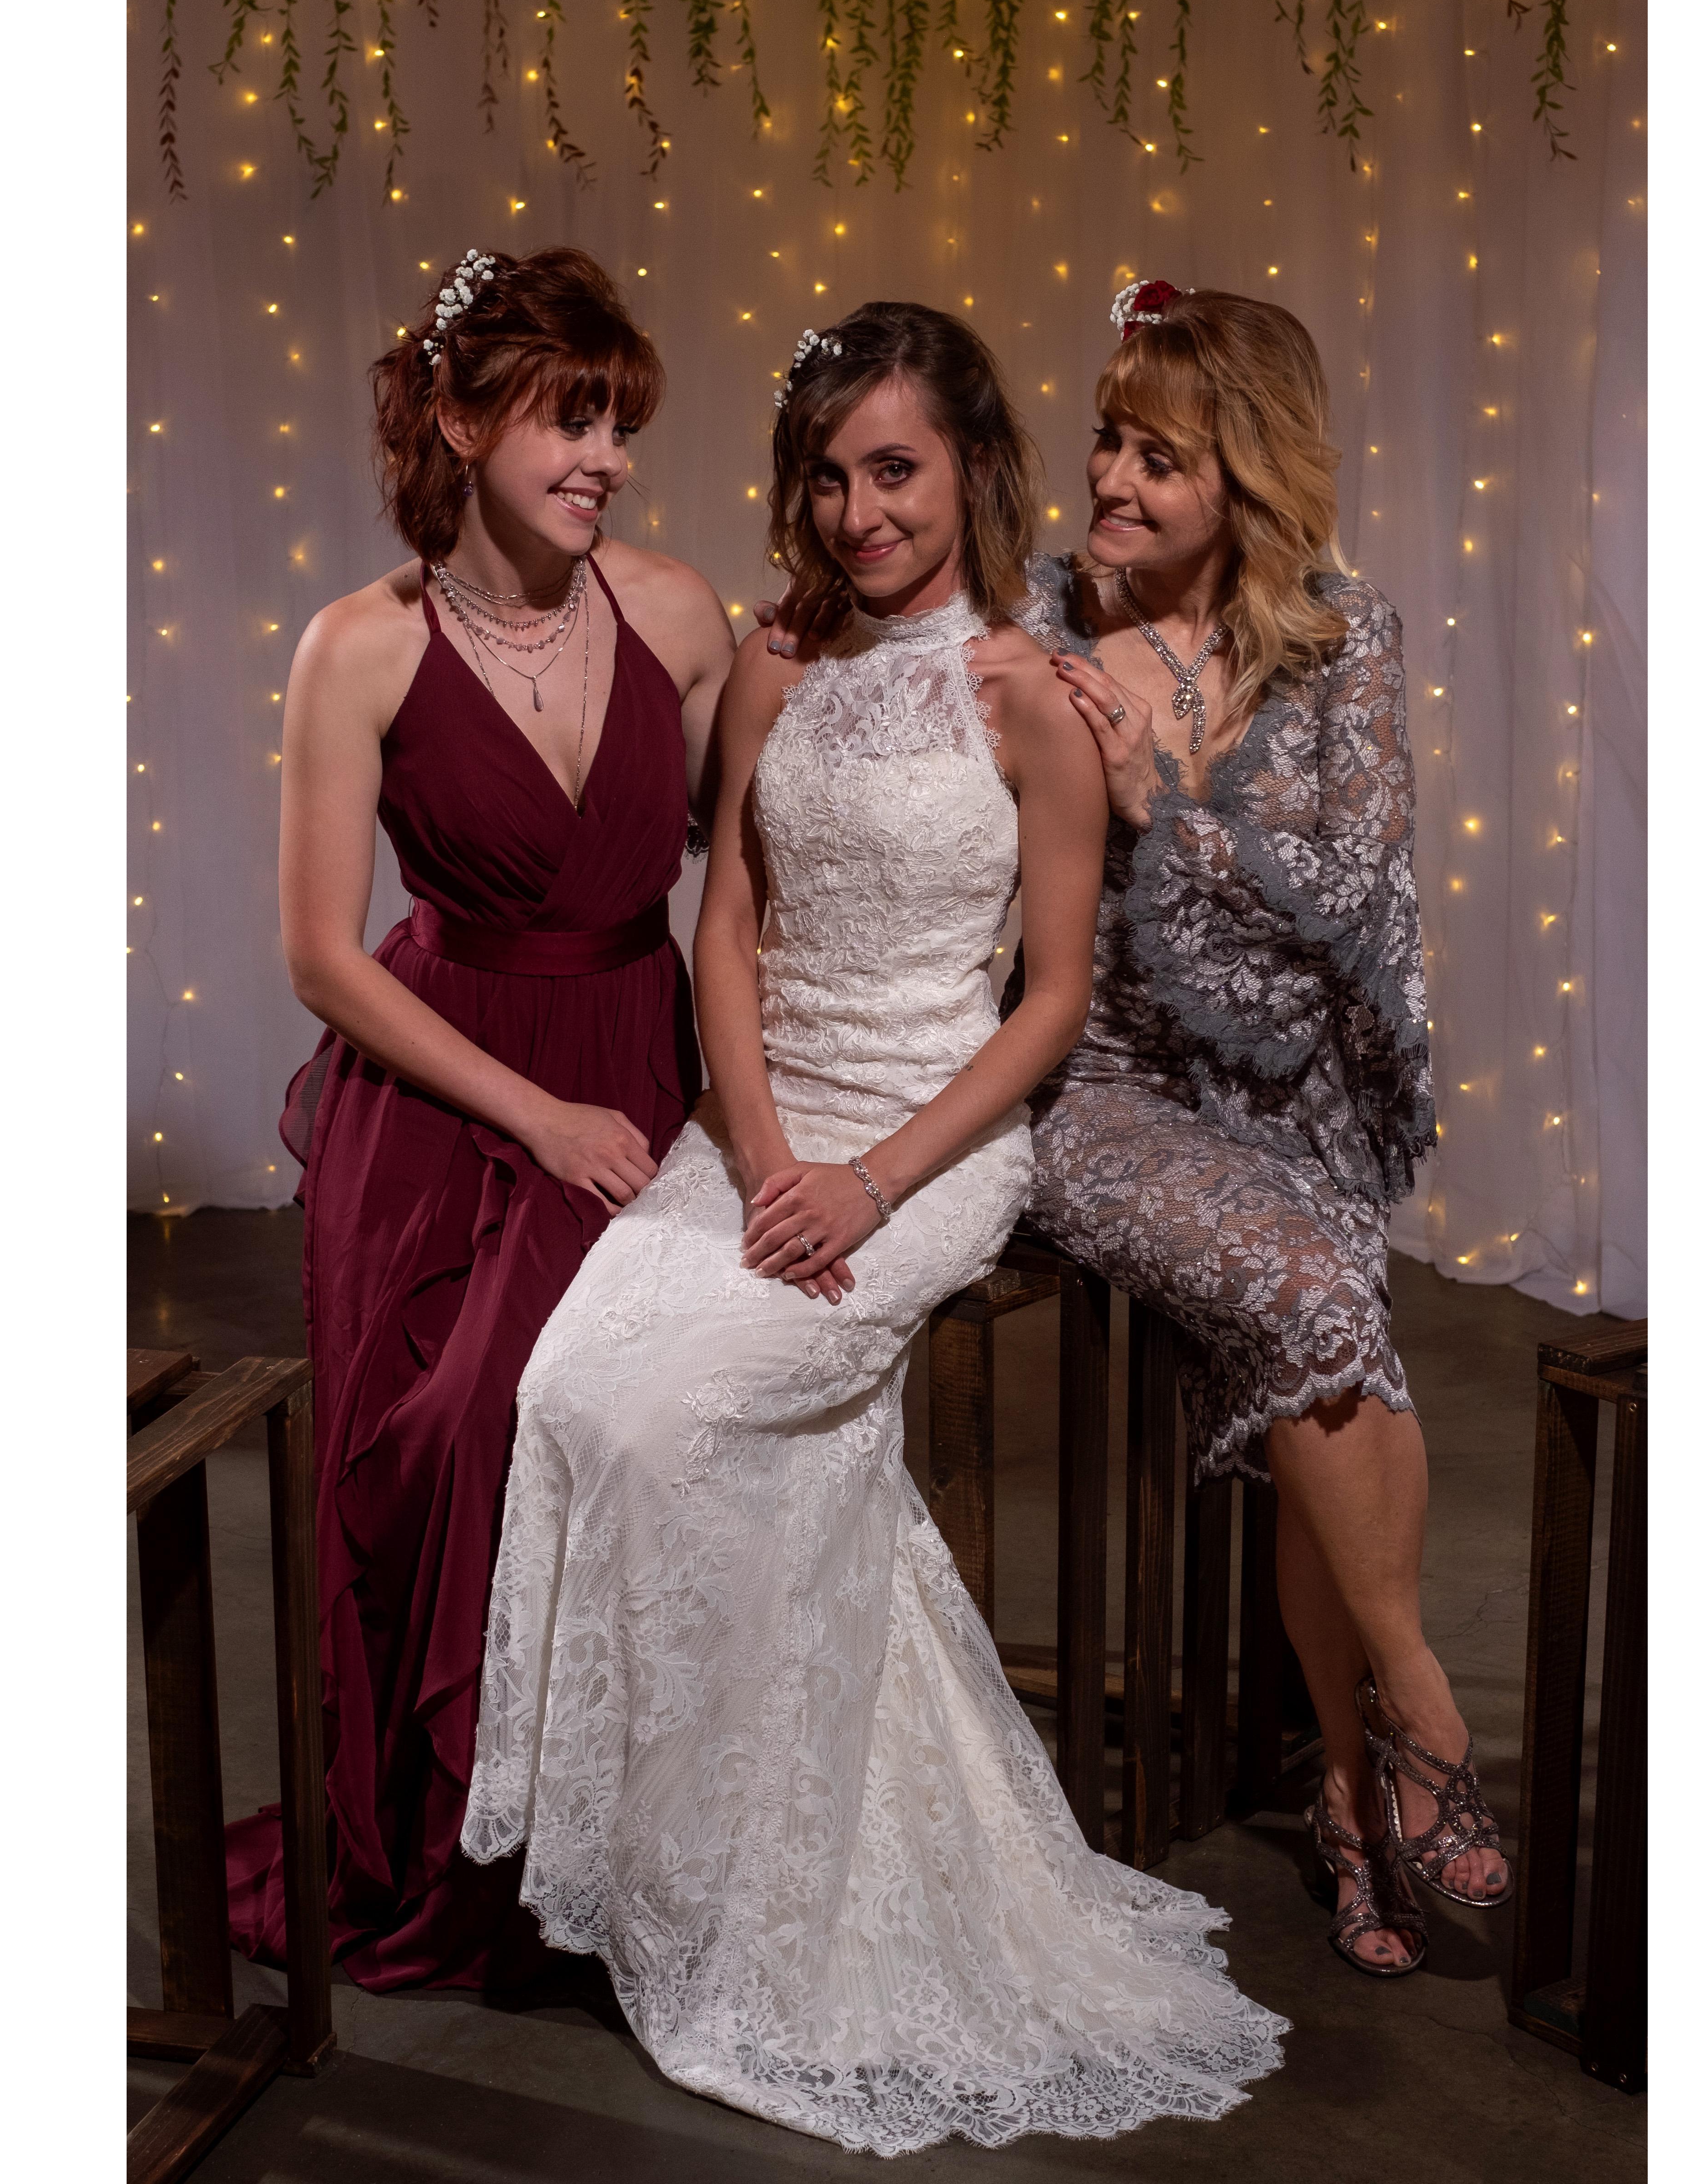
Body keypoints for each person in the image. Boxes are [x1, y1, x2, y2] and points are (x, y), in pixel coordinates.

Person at [461, 304, 1286, 2153]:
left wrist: (870, 1183)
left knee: (686, 1425)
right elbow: (728, 926)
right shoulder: (770, 669)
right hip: (758, 1131)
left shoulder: (1026, 697)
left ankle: (770, 1887)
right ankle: (674, 1853)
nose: (856, 512)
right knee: (574, 1396)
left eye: (894, 470)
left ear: (974, 476)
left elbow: (1053, 1002)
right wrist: (756, 1152)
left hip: (932, 1139)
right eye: (827, 477)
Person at [762, 281, 1506, 1978]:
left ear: (1246, 478)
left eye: (1161, 457)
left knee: (1329, 1316)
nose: (1112, 478)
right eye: (1108, 440)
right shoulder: (1040, 625)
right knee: (1325, 1304)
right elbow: (892, 710)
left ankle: (1343, 1780)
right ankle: (1422, 1715)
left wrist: (1174, 794)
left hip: (1291, 1098)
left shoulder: (1343, 636)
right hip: (1103, 1096)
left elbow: (1354, 892)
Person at [226, 245, 735, 1994]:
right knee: (440, 1430)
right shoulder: (356, 651)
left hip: (636, 1059)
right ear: (455, 419)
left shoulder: (674, 614)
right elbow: (317, 953)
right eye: (563, 416)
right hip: (450, 1089)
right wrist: (540, 1114)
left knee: (579, 1408)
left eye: (614, 420)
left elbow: (763, 862)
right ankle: (450, 1851)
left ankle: (604, 1837)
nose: (601, 454)